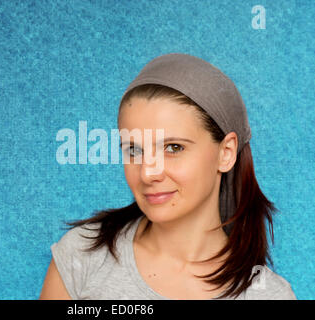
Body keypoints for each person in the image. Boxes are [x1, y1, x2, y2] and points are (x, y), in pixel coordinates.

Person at [39, 53, 297, 300]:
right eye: (134, 149)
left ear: (226, 153)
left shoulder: (268, 295)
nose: (148, 172)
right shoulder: (82, 256)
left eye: (173, 148)